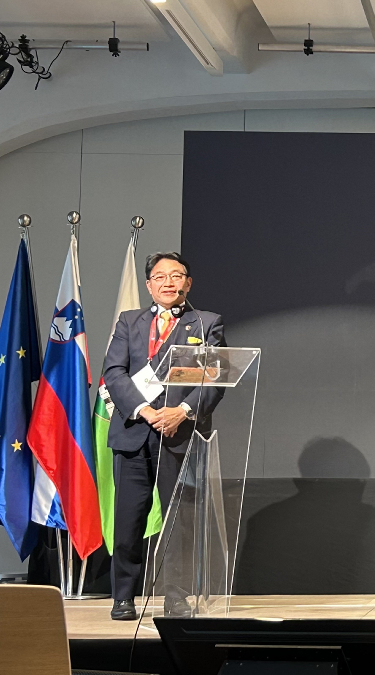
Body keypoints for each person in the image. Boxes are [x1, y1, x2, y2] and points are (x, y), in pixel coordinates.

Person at [104, 252, 225, 621]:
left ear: (187, 282)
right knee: (128, 521)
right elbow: (114, 372)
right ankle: (123, 597)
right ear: (149, 285)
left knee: (179, 520)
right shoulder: (129, 321)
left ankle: (176, 597)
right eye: (160, 277)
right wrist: (145, 410)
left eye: (176, 275)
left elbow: (215, 379)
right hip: (134, 434)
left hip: (180, 435)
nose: (168, 282)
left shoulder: (206, 322)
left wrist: (182, 411)